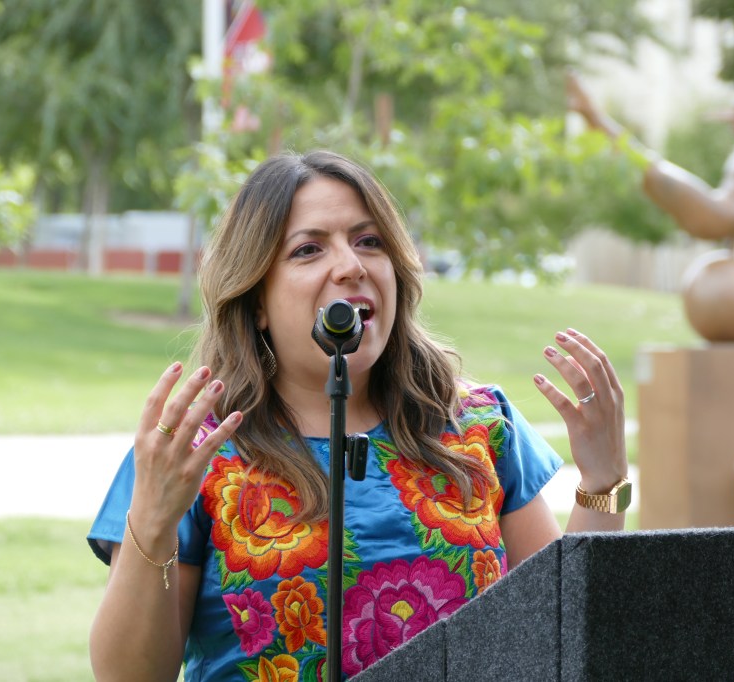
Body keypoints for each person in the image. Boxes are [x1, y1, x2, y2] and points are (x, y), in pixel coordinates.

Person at [87, 151, 630, 681]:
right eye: (308, 250)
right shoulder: (193, 453)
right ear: (256, 301)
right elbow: (128, 676)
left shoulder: (480, 425)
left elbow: (558, 638)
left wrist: (604, 484)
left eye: (369, 242)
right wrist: (154, 524)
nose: (351, 266)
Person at [566, 71, 734, 259]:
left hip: (719, 216)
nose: (733, 119)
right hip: (718, 212)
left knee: (650, 167)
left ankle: (592, 114)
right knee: (647, 176)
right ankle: (593, 119)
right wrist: (731, 253)